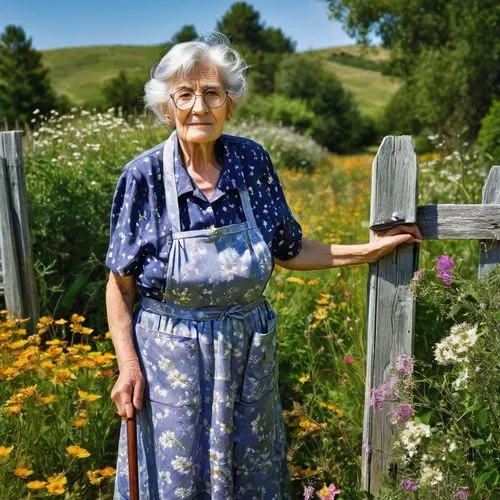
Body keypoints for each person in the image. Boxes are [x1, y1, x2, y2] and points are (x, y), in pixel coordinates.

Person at [105, 34, 422, 500]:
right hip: (171, 360)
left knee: (252, 473)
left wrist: (365, 251)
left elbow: (287, 249)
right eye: (185, 95)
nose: (199, 107)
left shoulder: (252, 161)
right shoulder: (144, 176)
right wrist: (127, 365)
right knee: (176, 478)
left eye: (212, 93)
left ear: (229, 105)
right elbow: (120, 286)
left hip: (247, 354)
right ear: (166, 108)